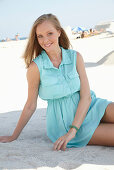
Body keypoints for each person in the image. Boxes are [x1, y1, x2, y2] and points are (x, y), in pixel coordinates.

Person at [0, 13, 114, 151]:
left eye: (50, 33)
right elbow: (30, 105)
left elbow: (86, 96)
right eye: (40, 36)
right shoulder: (35, 68)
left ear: (59, 32)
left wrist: (73, 130)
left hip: (91, 107)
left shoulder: (75, 57)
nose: (45, 40)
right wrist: (14, 135)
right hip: (65, 123)